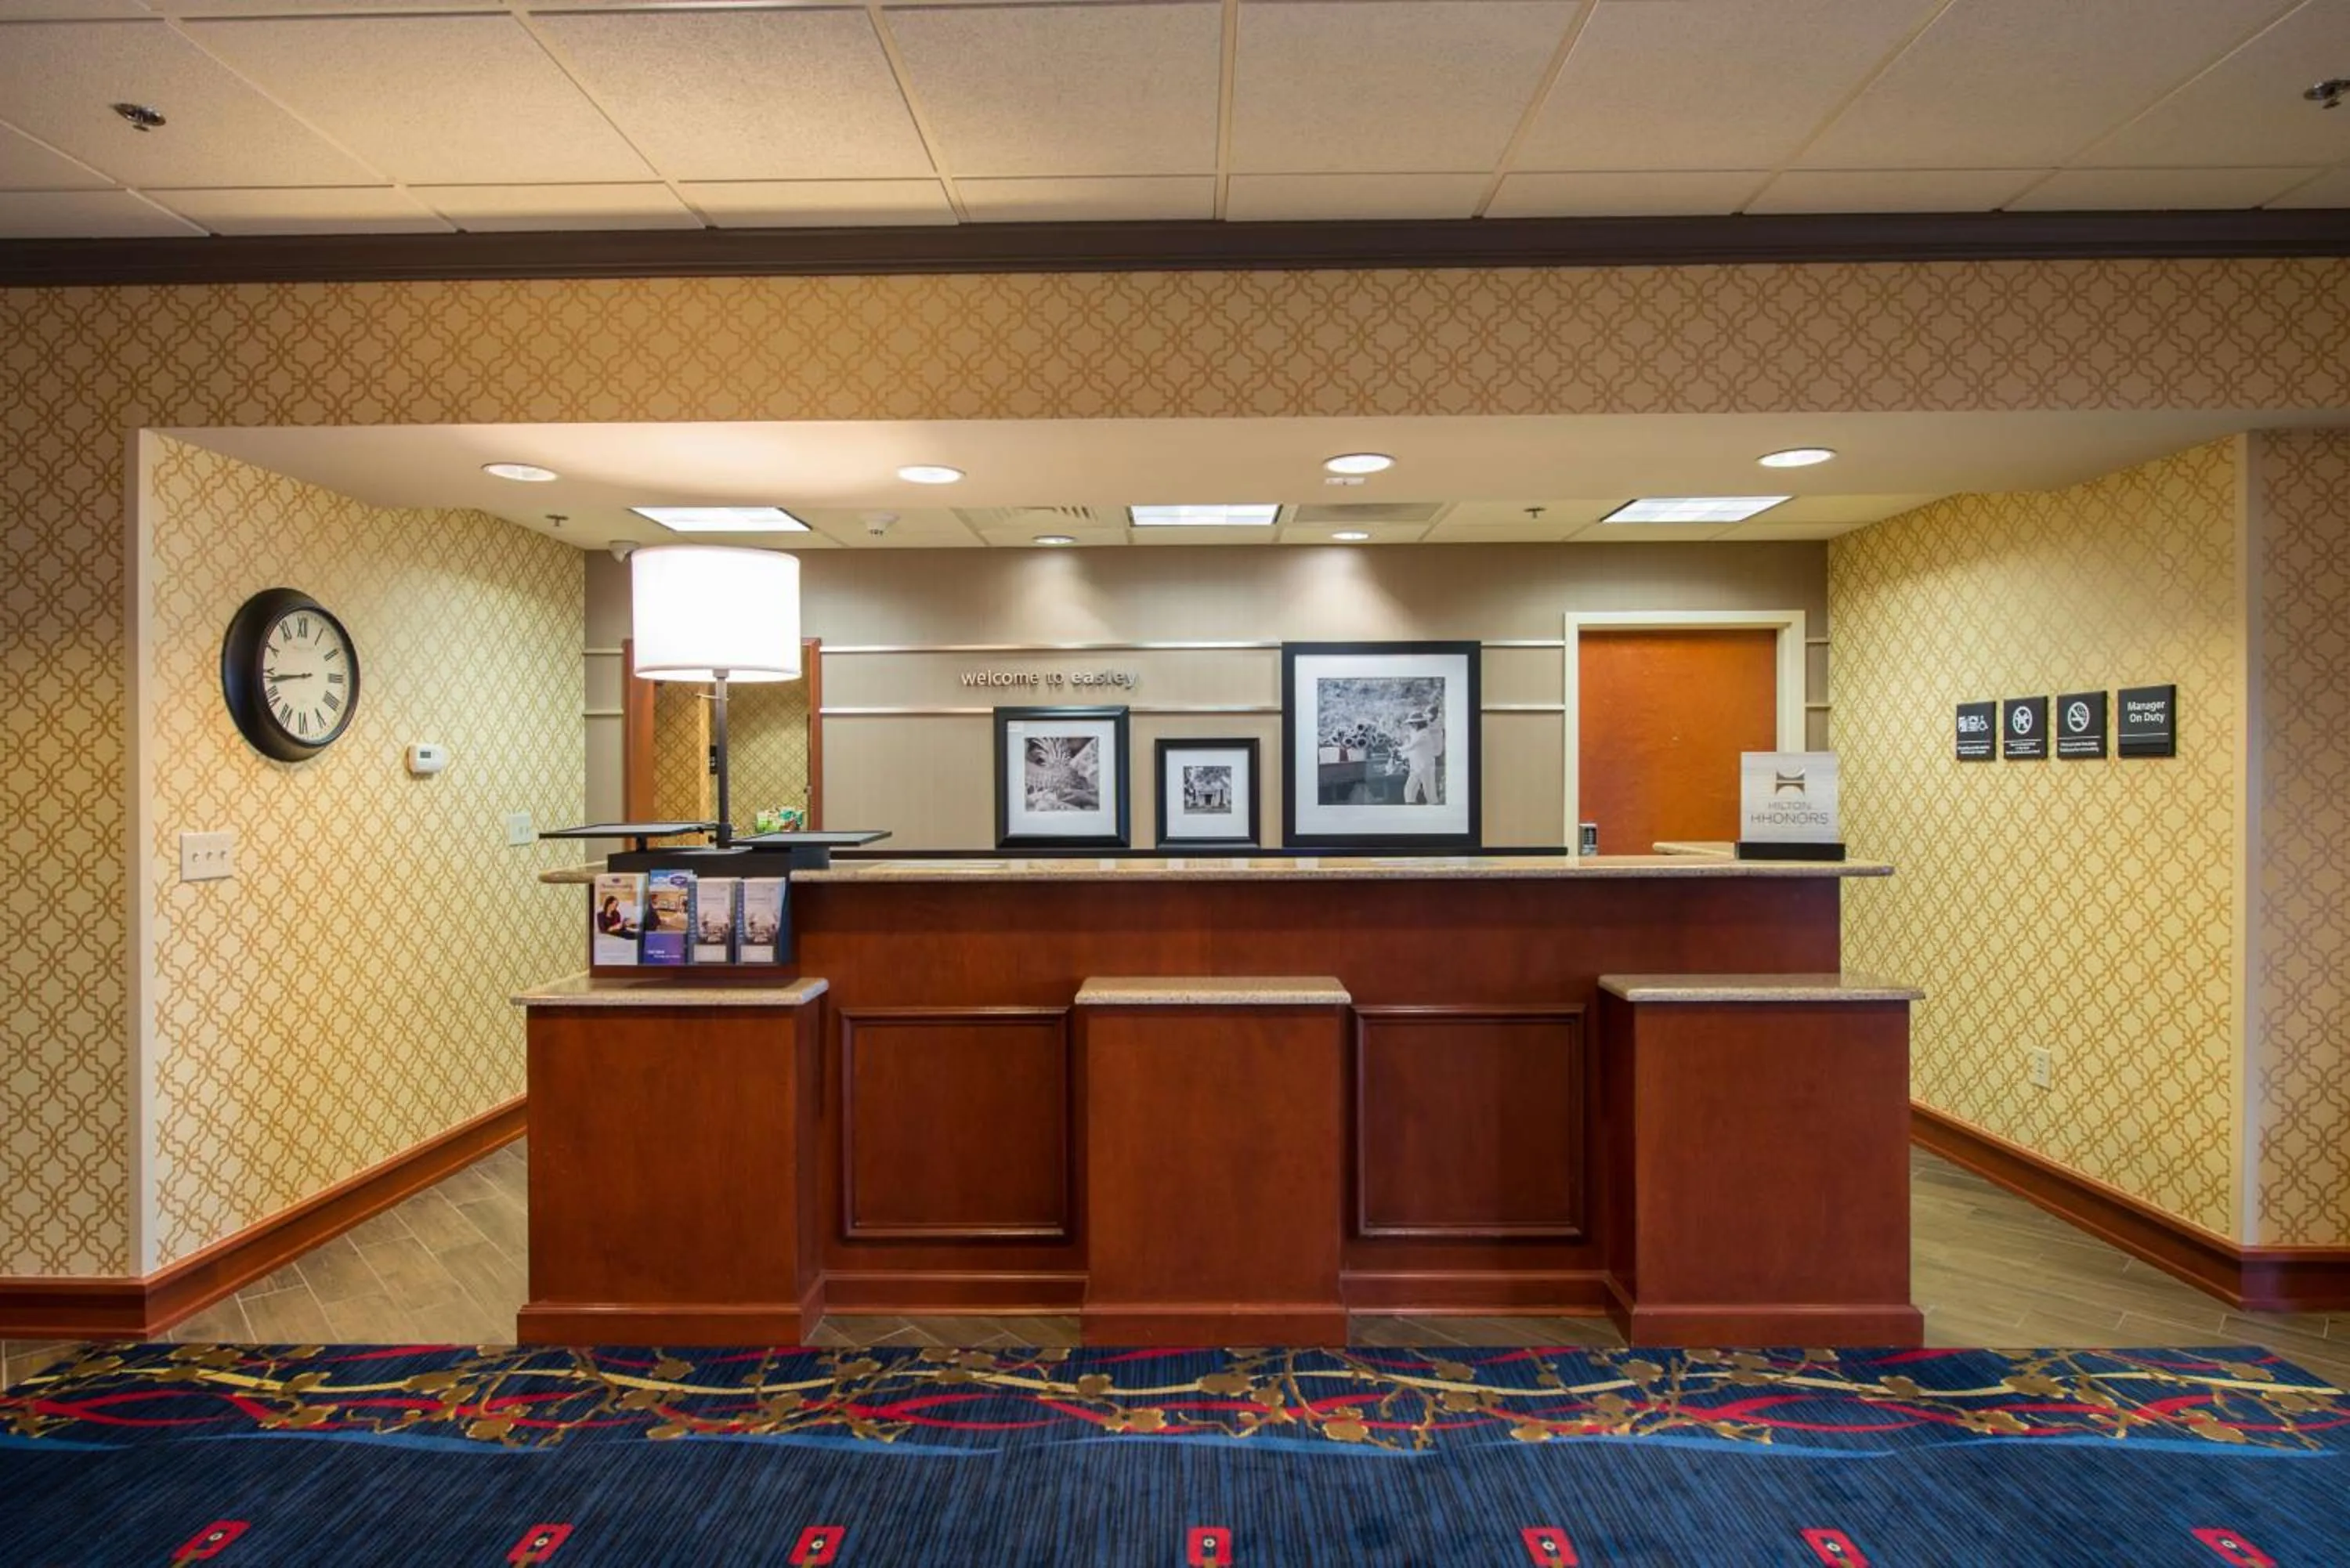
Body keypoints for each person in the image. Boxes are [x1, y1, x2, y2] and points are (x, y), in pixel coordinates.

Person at [1399, 713, 1444, 805]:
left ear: (1418, 724)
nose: (1411, 726)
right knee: (1409, 791)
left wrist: (1398, 749)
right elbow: (1410, 747)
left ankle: (1435, 813)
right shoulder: (1416, 733)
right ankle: (1412, 812)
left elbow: (1412, 746)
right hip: (1416, 768)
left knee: (1430, 794)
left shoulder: (1424, 734)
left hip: (1425, 768)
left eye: (1413, 724)